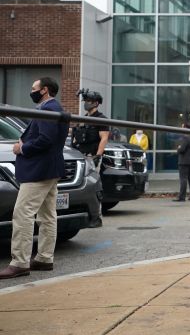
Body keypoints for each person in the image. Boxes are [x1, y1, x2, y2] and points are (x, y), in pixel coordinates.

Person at [0, 77, 68, 279]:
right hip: (49, 169)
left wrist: (22, 148)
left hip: (39, 171)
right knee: (47, 215)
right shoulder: (54, 107)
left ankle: (20, 262)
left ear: (44, 90)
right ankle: (44, 258)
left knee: (22, 214)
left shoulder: (48, 109)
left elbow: (46, 139)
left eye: (34, 88)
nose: (31, 91)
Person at [70, 89, 109, 228]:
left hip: (92, 157)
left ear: (96, 103)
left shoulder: (101, 119)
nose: (86, 103)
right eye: (85, 101)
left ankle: (96, 217)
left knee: (94, 187)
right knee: (82, 187)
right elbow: (75, 137)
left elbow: (104, 138)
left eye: (89, 101)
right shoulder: (84, 118)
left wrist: (98, 155)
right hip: (80, 156)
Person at [174, 122, 190, 202]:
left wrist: (178, 148)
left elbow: (182, 149)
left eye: (182, 127)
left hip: (184, 161)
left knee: (183, 179)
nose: (181, 129)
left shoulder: (185, 138)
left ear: (185, 128)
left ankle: (182, 197)